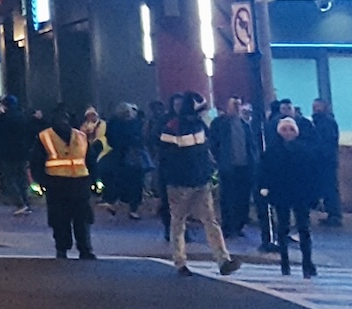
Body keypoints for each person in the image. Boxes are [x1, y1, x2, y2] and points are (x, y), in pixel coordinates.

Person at [160, 91, 242, 278]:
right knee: (181, 221)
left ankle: (222, 260)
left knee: (206, 221)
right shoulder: (174, 127)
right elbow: (167, 157)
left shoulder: (194, 125)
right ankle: (180, 261)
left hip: (198, 180)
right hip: (182, 183)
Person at [263, 116, 319, 278]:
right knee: (283, 228)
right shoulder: (273, 151)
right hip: (283, 192)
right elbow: (266, 172)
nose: (288, 133)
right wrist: (266, 188)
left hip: (297, 192)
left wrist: (313, 194)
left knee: (303, 228)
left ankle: (307, 262)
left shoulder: (303, 150)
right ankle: (285, 261)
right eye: (285, 129)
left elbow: (312, 175)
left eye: (291, 129)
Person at [38, 105, 96, 259]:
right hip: (58, 184)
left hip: (77, 183)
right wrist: (42, 182)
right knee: (60, 219)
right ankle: (63, 248)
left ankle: (84, 249)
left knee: (81, 218)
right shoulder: (45, 137)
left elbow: (90, 159)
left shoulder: (80, 137)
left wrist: (94, 179)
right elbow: (37, 161)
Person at [211, 95, 255, 237]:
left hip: (244, 166)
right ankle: (228, 225)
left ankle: (239, 224)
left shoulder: (245, 124)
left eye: (238, 105)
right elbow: (213, 144)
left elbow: (251, 145)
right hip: (227, 166)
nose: (236, 108)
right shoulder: (219, 123)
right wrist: (218, 160)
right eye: (233, 105)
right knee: (227, 197)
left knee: (243, 197)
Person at [102, 103, 147, 219]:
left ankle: (116, 205)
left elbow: (111, 140)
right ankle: (131, 208)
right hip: (130, 157)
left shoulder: (113, 124)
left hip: (122, 157)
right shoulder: (134, 124)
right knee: (133, 183)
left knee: (122, 182)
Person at [0, 96, 34, 216]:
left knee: (9, 179)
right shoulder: (22, 117)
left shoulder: (3, 118)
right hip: (22, 152)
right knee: (22, 178)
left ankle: (20, 203)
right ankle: (26, 202)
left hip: (7, 153)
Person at [309, 100, 343, 227]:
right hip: (325, 160)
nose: (315, 109)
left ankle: (334, 214)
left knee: (330, 188)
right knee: (328, 188)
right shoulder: (321, 121)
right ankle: (331, 213)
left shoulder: (326, 122)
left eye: (318, 106)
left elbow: (326, 142)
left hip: (326, 161)